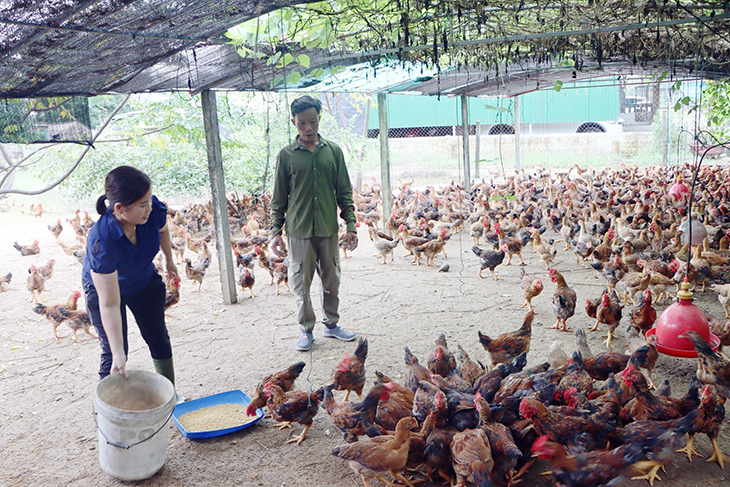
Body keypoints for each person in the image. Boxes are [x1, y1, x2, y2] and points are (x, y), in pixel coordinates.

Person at [270, 95, 359, 351]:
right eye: (301, 123)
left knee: (332, 279)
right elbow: (278, 197)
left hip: (329, 229)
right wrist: (275, 231)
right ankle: (306, 330)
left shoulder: (333, 152)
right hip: (299, 231)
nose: (308, 128)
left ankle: (332, 325)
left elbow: (344, 191)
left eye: (312, 121)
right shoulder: (286, 156)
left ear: (320, 118)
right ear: (293, 122)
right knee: (301, 282)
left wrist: (350, 225)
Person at [82, 165, 180, 393]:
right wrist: (119, 353)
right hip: (104, 290)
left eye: (149, 201)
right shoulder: (102, 240)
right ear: (120, 208)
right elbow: (109, 304)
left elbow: (163, 229)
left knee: (158, 336)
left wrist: (169, 260)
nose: (150, 207)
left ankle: (169, 397)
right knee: (114, 351)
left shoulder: (152, 210)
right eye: (143, 204)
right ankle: (109, 409)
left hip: (142, 279)